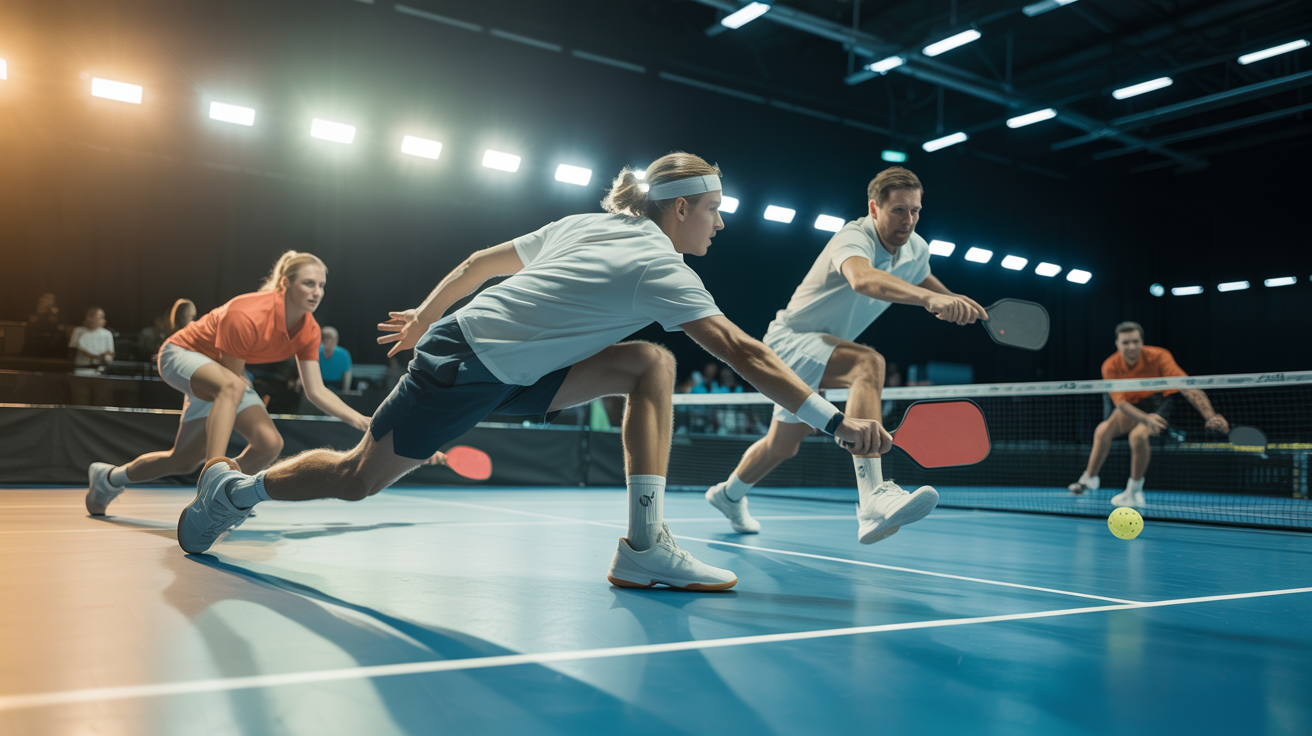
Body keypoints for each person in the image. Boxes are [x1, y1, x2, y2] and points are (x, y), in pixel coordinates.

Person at [173, 152, 887, 591]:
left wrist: (425, 312)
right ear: (678, 209)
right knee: (356, 480)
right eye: (713, 211)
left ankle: (644, 546)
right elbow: (744, 351)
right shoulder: (658, 265)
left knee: (650, 364)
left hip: (517, 364)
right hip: (469, 363)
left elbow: (481, 263)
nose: (720, 225)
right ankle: (237, 491)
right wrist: (832, 421)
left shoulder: (586, 223)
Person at [703, 166, 988, 541]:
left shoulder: (916, 247)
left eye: (916, 210)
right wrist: (928, 300)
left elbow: (919, 275)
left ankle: (728, 495)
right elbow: (863, 279)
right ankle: (873, 497)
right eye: (899, 210)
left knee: (783, 445)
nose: (909, 220)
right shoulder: (853, 237)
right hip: (791, 339)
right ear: (874, 209)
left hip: (821, 349)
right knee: (867, 363)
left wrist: (949, 299)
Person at [84, 251, 373, 515]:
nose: (317, 292)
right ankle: (215, 485)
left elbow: (316, 390)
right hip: (182, 354)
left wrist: (362, 421)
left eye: (321, 285)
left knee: (260, 445)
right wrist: (216, 469)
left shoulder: (309, 329)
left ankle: (108, 478)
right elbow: (230, 379)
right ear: (286, 283)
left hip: (221, 374)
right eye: (309, 284)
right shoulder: (246, 313)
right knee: (232, 388)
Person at [1067, 321, 1229, 508]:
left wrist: (1210, 416)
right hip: (1130, 406)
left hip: (1157, 402)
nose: (1131, 347)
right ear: (1117, 344)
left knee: (1137, 437)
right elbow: (1120, 403)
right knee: (1102, 430)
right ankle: (1089, 478)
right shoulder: (1110, 365)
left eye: (1135, 341)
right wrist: (1144, 418)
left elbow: (1187, 387)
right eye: (1126, 343)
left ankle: (1134, 492)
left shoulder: (1160, 356)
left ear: (1142, 341)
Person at [69, 307, 115, 375]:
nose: (103, 320)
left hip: (100, 371)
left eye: (103, 317)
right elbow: (74, 350)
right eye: (99, 318)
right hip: (81, 370)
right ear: (89, 318)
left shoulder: (107, 334)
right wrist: (98, 356)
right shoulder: (78, 331)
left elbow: (111, 353)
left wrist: (108, 357)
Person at [24, 293, 68, 358]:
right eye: (47, 298)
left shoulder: (55, 312)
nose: (49, 301)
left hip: (49, 344)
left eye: (52, 299)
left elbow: (59, 327)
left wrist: (54, 315)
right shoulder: (34, 311)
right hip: (34, 343)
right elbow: (29, 326)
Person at [318, 326, 353, 391]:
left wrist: (345, 391)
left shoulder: (343, 354)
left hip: (336, 386)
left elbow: (347, 375)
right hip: (318, 385)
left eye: (332, 340)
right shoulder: (316, 352)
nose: (329, 342)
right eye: (326, 339)